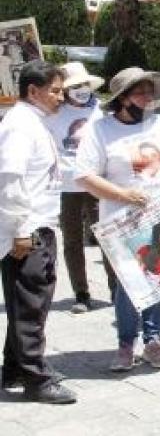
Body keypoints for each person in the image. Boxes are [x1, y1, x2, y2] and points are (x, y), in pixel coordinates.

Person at [76, 67, 160, 373]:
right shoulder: (100, 131)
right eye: (141, 92)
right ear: (123, 98)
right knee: (129, 284)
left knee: (159, 278)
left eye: (151, 91)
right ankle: (126, 343)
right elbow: (85, 176)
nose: (149, 98)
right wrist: (123, 195)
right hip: (122, 222)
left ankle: (153, 339)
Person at [0, 60, 76, 404]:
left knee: (27, 301)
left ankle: (15, 367)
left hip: (37, 225)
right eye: (55, 91)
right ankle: (36, 380)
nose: (62, 98)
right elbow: (11, 181)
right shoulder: (20, 125)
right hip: (28, 230)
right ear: (33, 91)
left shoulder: (32, 121)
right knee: (31, 304)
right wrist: (20, 230)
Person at [44, 62, 111, 313]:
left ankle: (117, 288)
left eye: (84, 85)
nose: (81, 90)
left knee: (106, 235)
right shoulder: (53, 113)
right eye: (75, 86)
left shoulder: (99, 110)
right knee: (72, 240)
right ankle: (81, 293)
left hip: (97, 181)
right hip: (66, 185)